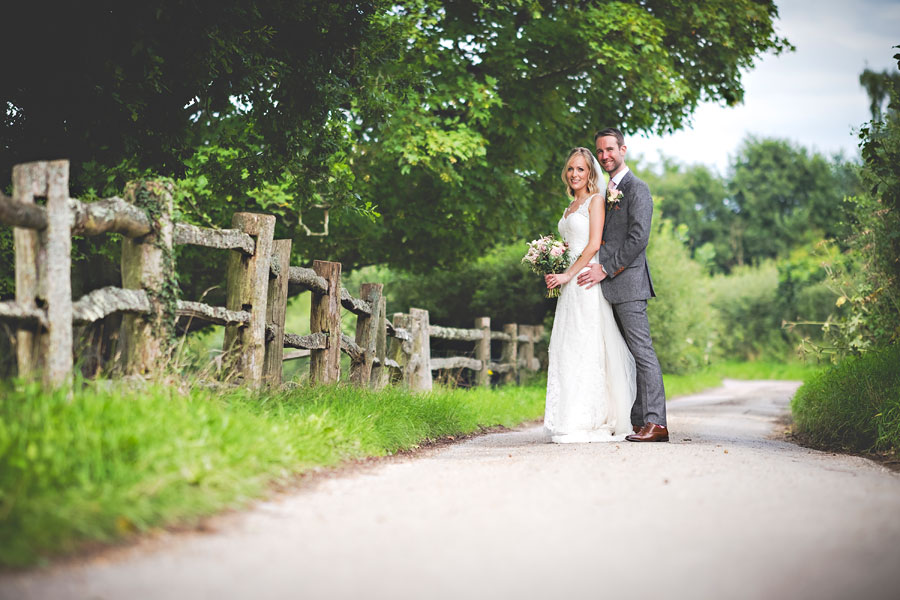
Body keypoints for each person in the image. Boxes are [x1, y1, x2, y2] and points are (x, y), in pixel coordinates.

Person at [576, 128, 668, 443]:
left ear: (623, 149)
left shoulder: (637, 189)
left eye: (610, 150)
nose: (604, 156)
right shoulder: (605, 191)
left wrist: (606, 268)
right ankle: (640, 421)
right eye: (600, 151)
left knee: (642, 352)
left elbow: (638, 238)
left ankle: (656, 423)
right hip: (609, 288)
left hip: (628, 284)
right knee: (627, 354)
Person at [543, 147, 637, 443]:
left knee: (586, 345)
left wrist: (569, 274)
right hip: (567, 283)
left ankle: (590, 417)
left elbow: (594, 243)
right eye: (571, 169)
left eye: (580, 169)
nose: (574, 174)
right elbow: (567, 244)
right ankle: (567, 416)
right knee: (567, 346)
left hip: (584, 279)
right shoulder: (570, 206)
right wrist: (550, 262)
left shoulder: (596, 201)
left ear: (590, 173)